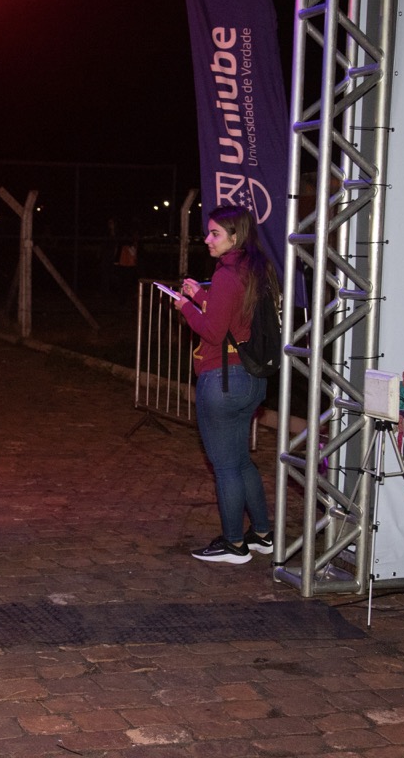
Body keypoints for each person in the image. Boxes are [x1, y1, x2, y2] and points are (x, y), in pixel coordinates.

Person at [169, 204, 277, 564]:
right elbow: (233, 316)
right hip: (251, 380)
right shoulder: (252, 270)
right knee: (241, 461)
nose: (207, 239)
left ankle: (233, 544)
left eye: (215, 233)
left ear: (235, 237)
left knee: (226, 466)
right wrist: (200, 296)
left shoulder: (228, 275)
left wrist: (185, 307)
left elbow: (214, 331)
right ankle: (261, 533)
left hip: (223, 380)